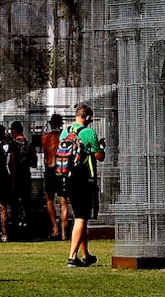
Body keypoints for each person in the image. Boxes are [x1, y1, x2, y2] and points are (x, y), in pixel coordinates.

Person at [60, 103, 104, 268]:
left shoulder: (65, 132)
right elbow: (99, 156)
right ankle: (72, 257)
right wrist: (101, 147)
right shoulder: (89, 133)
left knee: (81, 216)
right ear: (86, 117)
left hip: (68, 178)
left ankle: (85, 255)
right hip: (85, 180)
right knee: (81, 217)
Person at [40, 113, 67, 241]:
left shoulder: (45, 138)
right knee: (63, 201)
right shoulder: (64, 138)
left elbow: (46, 155)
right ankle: (63, 232)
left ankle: (55, 228)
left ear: (51, 124)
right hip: (62, 169)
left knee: (49, 199)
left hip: (50, 168)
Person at [8, 122, 35, 239]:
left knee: (14, 205)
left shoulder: (13, 145)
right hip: (26, 177)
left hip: (16, 177)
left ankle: (15, 229)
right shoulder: (29, 144)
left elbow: (12, 162)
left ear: (14, 131)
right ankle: (28, 228)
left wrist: (12, 179)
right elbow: (34, 162)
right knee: (26, 204)